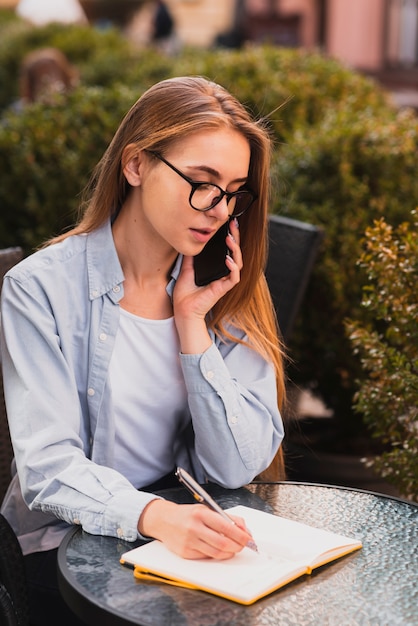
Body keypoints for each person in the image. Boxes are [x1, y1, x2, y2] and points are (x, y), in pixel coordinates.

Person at [0, 76, 285, 624]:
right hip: (63, 551)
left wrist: (193, 326)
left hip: (188, 545)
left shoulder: (226, 287)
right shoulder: (41, 288)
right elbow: (47, 467)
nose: (219, 210)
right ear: (135, 166)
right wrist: (154, 515)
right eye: (201, 182)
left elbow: (236, 465)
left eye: (234, 191)